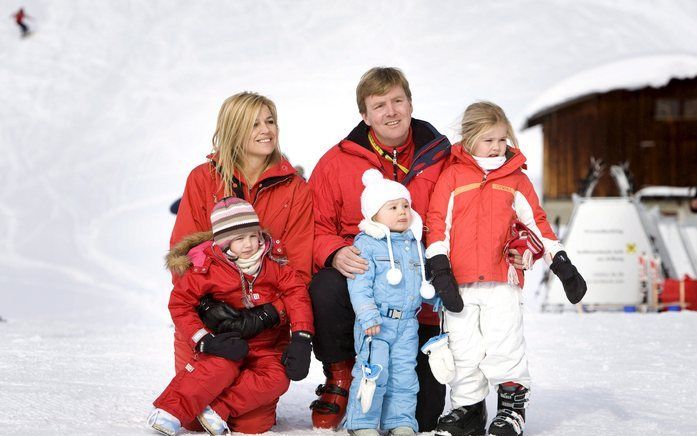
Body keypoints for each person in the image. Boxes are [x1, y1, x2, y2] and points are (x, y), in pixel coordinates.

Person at [308, 66, 463, 431]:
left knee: (424, 418)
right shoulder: (336, 162)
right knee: (325, 285)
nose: (391, 111)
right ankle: (341, 375)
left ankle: (466, 394)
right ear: (365, 115)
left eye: (397, 100)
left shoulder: (441, 155)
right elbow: (313, 227)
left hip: (419, 294)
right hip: (364, 283)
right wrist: (334, 252)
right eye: (379, 105)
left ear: (410, 103)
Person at [425, 101, 587, 436]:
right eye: (488, 140)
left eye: (502, 139)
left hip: (503, 281)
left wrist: (561, 263)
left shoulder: (516, 179)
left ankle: (511, 409)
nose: (497, 146)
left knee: (505, 345)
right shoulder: (452, 176)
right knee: (463, 348)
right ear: (469, 139)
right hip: (460, 283)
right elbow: (437, 224)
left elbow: (539, 224)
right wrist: (440, 267)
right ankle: (468, 410)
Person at [166, 92, 313, 432]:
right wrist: (205, 309)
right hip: (214, 321)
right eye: (255, 123)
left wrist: (270, 314)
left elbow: (299, 269)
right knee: (191, 420)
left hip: (265, 326)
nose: (266, 130)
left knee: (252, 424)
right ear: (233, 130)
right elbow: (183, 254)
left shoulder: (295, 189)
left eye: (270, 121)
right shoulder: (203, 178)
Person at [149, 197, 314, 435]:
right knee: (217, 368)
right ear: (224, 242)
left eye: (252, 235)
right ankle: (170, 411)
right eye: (238, 239)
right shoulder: (207, 269)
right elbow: (180, 304)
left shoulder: (274, 264)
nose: (248, 244)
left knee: (277, 378)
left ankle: (217, 409)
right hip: (226, 343)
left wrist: (301, 336)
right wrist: (204, 340)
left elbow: (296, 294)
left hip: (266, 347)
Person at [343, 169, 436, 436]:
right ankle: (362, 423)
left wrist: (438, 298)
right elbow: (359, 285)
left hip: (407, 323)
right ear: (374, 214)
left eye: (405, 205)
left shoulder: (415, 244)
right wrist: (368, 315)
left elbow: (425, 280)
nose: (402, 212)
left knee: (405, 376)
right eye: (393, 207)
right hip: (377, 323)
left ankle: (400, 421)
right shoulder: (367, 244)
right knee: (373, 373)